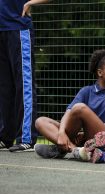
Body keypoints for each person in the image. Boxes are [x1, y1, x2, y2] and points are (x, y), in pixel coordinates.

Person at [34, 49, 105, 159]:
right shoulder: (86, 91)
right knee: (40, 121)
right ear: (100, 72)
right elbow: (69, 112)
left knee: (80, 108)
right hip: (82, 138)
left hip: (104, 136)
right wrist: (61, 133)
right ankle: (75, 150)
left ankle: (60, 149)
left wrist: (89, 127)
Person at [0, 0, 51, 152]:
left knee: (24, 85)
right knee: (4, 88)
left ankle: (26, 138)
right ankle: (5, 136)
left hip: (18, 28)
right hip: (1, 30)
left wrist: (30, 3)